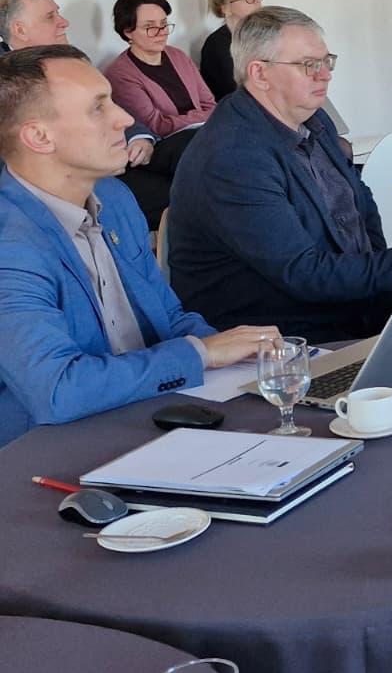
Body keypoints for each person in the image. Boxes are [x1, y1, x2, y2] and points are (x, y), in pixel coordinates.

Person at [0, 45, 281, 448]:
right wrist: (201, 354)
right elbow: (58, 390)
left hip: (150, 414)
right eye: (99, 108)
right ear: (39, 136)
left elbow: (168, 319)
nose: (125, 118)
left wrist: (245, 355)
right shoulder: (10, 240)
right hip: (52, 449)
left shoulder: (113, 198)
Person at [166, 6, 392, 343]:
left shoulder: (314, 121)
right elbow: (304, 274)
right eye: (309, 64)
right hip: (285, 339)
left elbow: (361, 210)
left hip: (351, 307)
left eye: (327, 62)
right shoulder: (233, 158)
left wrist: (389, 284)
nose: (324, 75)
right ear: (260, 73)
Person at [0, 0, 169, 230]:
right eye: (50, 17)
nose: (64, 22)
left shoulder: (67, 60)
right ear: (20, 29)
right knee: (172, 194)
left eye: (58, 13)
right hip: (67, 182)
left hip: (114, 159)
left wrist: (139, 136)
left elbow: (108, 104)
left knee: (185, 173)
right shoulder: (8, 80)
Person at [103, 0, 217, 142]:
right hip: (172, 144)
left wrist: (202, 118)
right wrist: (203, 117)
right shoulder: (120, 75)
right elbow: (156, 126)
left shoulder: (178, 56)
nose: (161, 32)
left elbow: (209, 104)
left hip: (206, 132)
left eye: (163, 24)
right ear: (128, 32)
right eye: (150, 27)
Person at [199, 0, 263, 101]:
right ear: (225, 8)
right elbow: (235, 91)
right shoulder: (216, 45)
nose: (256, 0)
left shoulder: (264, 35)